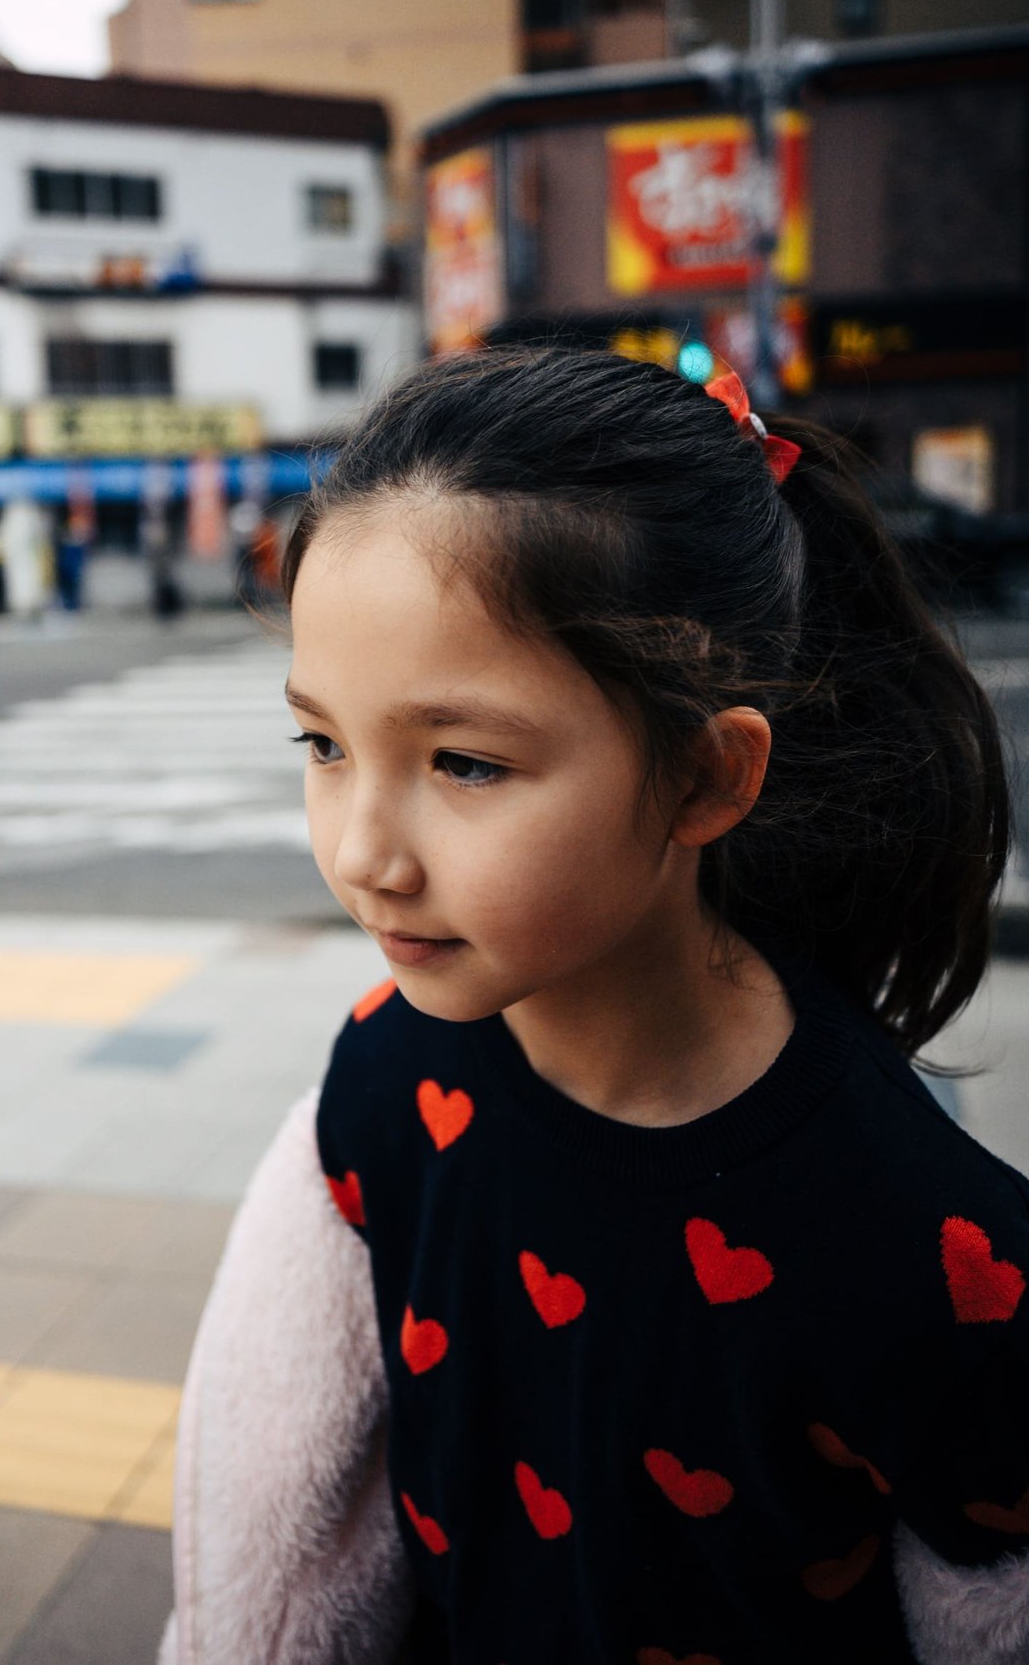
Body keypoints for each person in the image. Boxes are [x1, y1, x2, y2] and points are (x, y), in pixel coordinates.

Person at [160, 349, 1028, 1665]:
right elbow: (277, 1564)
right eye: (324, 747)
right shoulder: (387, 1090)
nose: (363, 853)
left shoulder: (924, 1234)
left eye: (464, 762)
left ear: (705, 776)